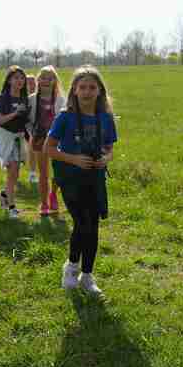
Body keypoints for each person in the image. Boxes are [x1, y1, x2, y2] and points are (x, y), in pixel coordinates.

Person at [44, 65, 117, 296]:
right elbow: (48, 149)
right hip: (70, 178)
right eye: (82, 87)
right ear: (74, 90)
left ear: (99, 91)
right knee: (82, 222)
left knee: (93, 225)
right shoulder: (64, 117)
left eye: (92, 87)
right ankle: (71, 268)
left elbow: (109, 148)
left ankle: (87, 276)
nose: (87, 92)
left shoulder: (105, 118)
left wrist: (105, 158)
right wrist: (74, 159)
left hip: (94, 178)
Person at [28, 66, 67, 216]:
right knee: (43, 173)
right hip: (39, 139)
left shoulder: (60, 100)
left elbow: (64, 120)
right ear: (38, 80)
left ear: (55, 81)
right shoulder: (31, 100)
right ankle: (44, 203)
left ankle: (53, 194)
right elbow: (27, 121)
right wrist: (32, 132)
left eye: (50, 78)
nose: (46, 81)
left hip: (57, 140)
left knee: (58, 172)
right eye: (43, 77)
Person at [0, 66, 31, 218]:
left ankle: (4, 195)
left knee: (15, 174)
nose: (19, 81)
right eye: (16, 78)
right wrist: (15, 113)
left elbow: (26, 121)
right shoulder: (3, 98)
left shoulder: (25, 98)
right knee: (12, 172)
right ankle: (12, 208)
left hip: (19, 138)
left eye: (22, 78)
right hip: (6, 138)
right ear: (9, 80)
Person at [25, 74, 39, 184]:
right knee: (29, 149)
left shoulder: (39, 96)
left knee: (32, 149)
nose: (31, 85)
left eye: (32, 82)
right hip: (25, 126)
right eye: (28, 83)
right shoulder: (23, 97)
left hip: (35, 127)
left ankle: (33, 173)